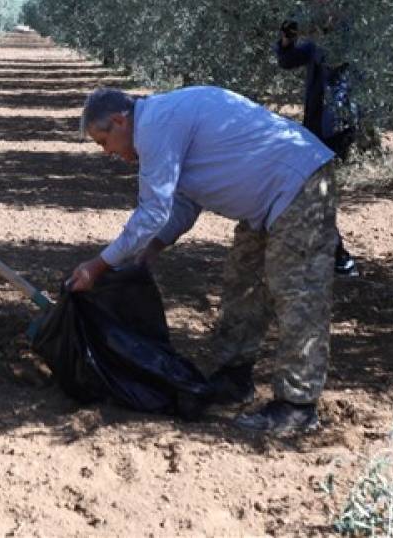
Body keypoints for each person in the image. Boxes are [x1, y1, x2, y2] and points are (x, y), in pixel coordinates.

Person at [69, 86, 338, 434]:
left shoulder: (155, 127)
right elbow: (182, 202)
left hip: (298, 184)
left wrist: (98, 265)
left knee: (297, 293)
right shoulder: (159, 125)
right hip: (267, 202)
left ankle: (297, 406)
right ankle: (234, 378)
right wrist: (153, 247)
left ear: (120, 121)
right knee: (242, 283)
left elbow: (152, 212)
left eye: (103, 142)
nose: (107, 152)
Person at [274, 19, 360, 277]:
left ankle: (338, 257)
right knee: (313, 188)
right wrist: (287, 40)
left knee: (315, 188)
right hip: (316, 125)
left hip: (335, 126)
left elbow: (335, 66)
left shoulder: (349, 39)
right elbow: (287, 61)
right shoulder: (317, 42)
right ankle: (332, 256)